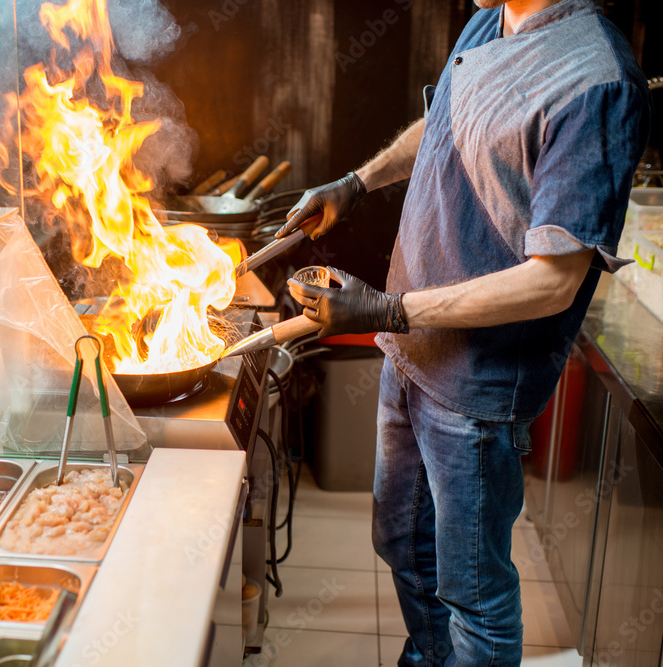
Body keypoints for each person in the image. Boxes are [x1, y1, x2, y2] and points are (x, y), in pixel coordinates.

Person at [275, 0, 651, 664]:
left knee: (474, 594)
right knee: (400, 539)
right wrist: (357, 183)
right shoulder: (491, 19)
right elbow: (447, 117)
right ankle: (430, 655)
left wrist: (389, 311)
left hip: (476, 387)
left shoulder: (597, 80)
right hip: (410, 354)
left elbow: (554, 281)